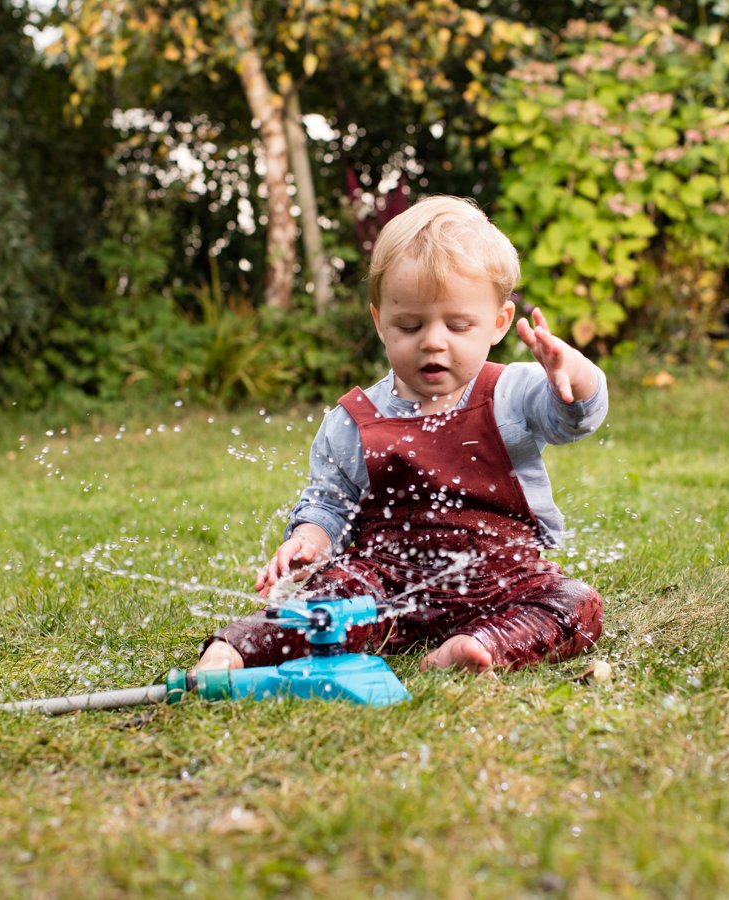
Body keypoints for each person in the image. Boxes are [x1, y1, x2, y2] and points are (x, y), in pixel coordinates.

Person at [197, 196, 607, 675]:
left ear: (498, 323)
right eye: (409, 325)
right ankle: (238, 648)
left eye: (458, 325)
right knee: (330, 601)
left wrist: (574, 374)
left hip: (502, 579)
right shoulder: (356, 419)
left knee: (577, 603)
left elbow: (574, 418)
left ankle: (481, 646)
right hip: (387, 582)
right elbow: (329, 504)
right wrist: (309, 540)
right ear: (380, 322)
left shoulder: (512, 392)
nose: (434, 340)